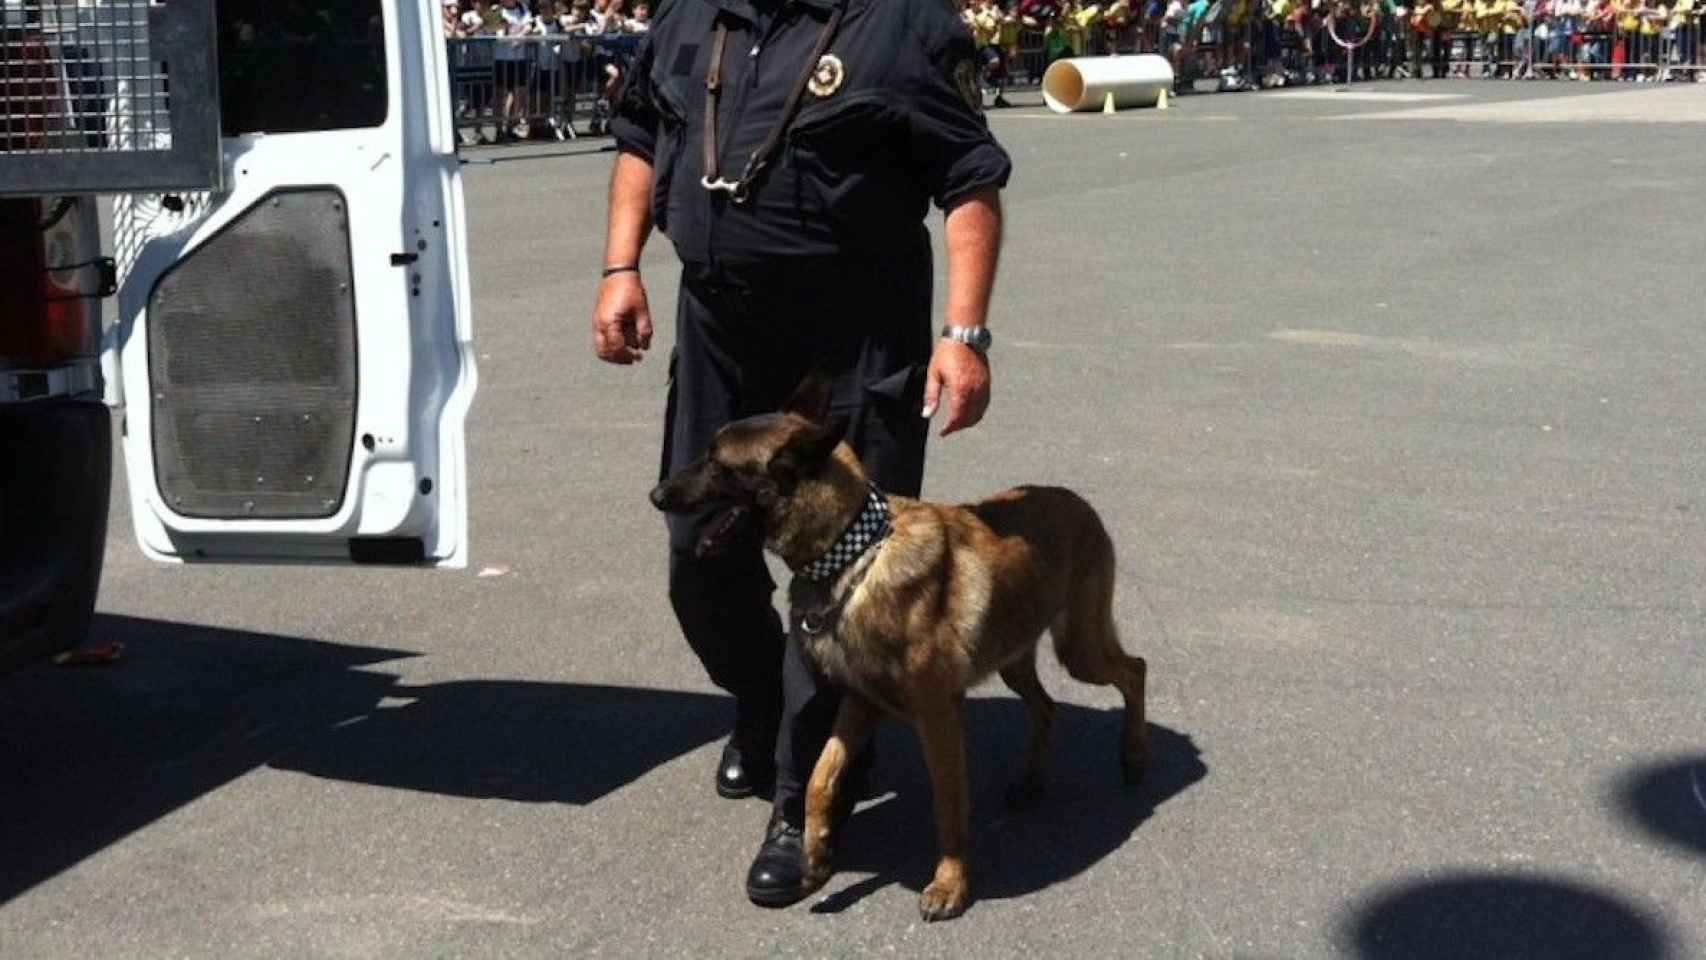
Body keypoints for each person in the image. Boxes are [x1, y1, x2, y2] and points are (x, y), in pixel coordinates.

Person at [592, 0, 1010, 908]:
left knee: (851, 589)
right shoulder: (688, 17)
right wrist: (620, 266)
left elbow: (971, 178)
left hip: (853, 333)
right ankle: (759, 703)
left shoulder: (901, 24)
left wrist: (964, 332)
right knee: (696, 555)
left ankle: (804, 806)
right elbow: (639, 134)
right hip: (722, 327)